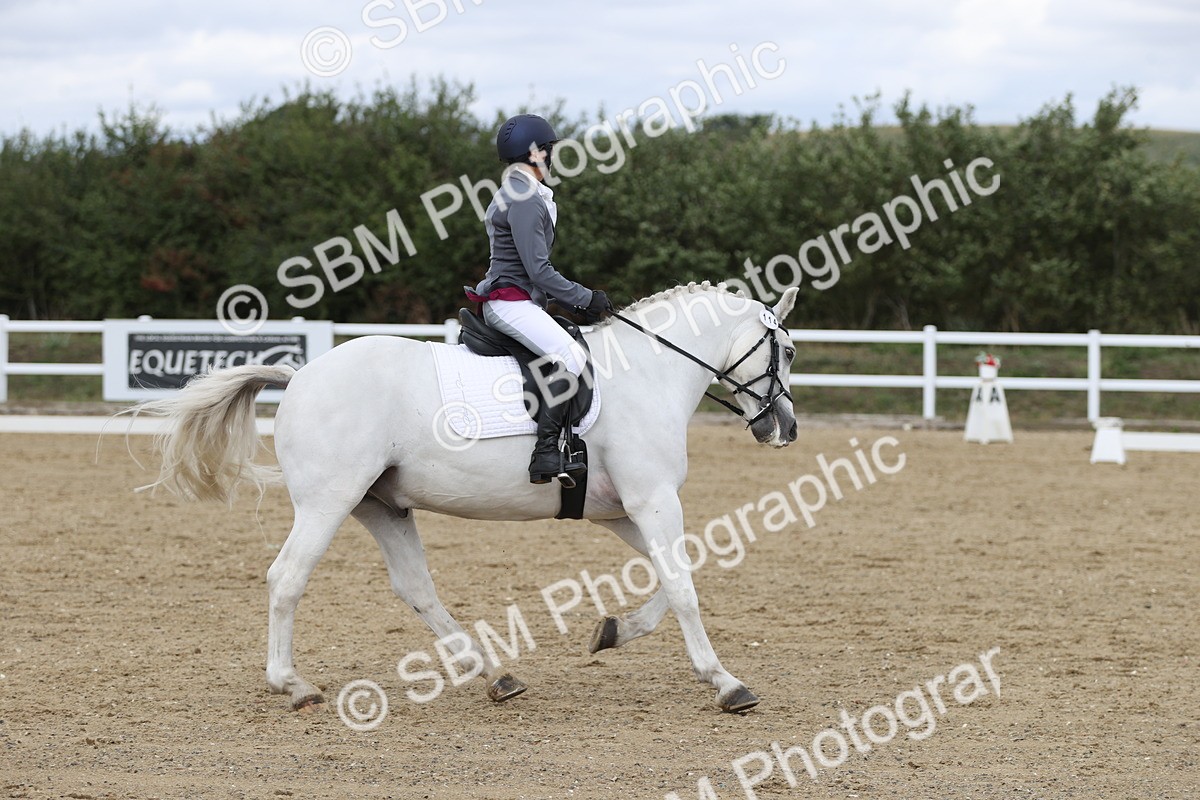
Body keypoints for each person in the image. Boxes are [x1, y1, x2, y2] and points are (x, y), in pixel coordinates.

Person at [466, 113, 613, 484]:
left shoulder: (518, 193)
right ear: (536, 153)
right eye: (549, 151)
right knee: (572, 356)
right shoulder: (525, 198)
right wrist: (585, 298)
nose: (551, 158)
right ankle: (547, 450)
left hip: (517, 301)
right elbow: (538, 271)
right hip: (510, 303)